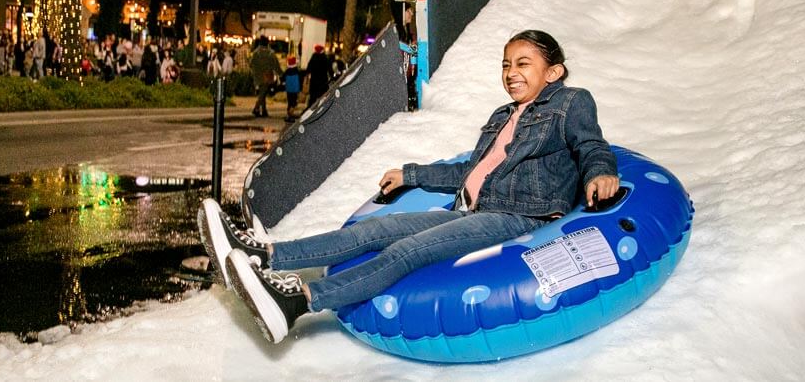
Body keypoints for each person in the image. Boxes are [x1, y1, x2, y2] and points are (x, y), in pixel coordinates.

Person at [200, 30, 620, 344]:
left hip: (517, 217)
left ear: (554, 71)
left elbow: (591, 145)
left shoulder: (569, 102)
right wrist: (410, 175)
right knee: (370, 232)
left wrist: (601, 172)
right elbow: (469, 173)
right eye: (506, 64)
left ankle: (297, 303)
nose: (511, 73)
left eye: (523, 63)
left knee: (405, 252)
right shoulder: (502, 115)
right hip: (470, 211)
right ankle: (267, 254)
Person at [249, 36, 281, 117]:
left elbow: (251, 64)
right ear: (267, 43)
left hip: (257, 76)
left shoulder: (256, 52)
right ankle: (256, 108)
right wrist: (281, 74)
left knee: (262, 92)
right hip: (267, 76)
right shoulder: (271, 53)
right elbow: (276, 65)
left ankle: (264, 111)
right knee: (263, 93)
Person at [305, 44, 331, 109]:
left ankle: (310, 110)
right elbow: (329, 68)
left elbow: (309, 67)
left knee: (313, 97)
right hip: (323, 81)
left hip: (314, 81)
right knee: (323, 96)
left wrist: (307, 74)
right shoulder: (324, 57)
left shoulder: (314, 56)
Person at [282, 56, 302, 122]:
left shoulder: (287, 71)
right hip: (295, 90)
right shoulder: (297, 71)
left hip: (289, 90)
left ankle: (289, 115)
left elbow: (282, 78)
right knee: (294, 103)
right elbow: (300, 80)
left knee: (290, 102)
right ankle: (290, 115)